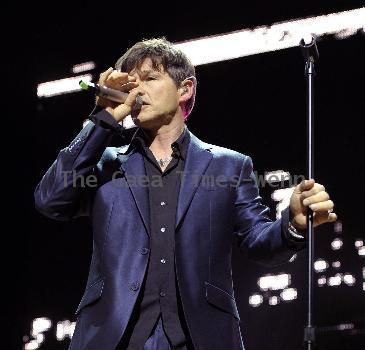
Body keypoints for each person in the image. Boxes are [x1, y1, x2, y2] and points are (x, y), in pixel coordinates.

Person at [34, 38, 337, 350]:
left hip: (199, 339)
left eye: (150, 79)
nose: (138, 91)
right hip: (113, 339)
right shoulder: (105, 163)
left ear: (185, 89)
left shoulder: (229, 167)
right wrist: (105, 117)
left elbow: (258, 241)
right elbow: (50, 199)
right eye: (131, 83)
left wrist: (294, 223)